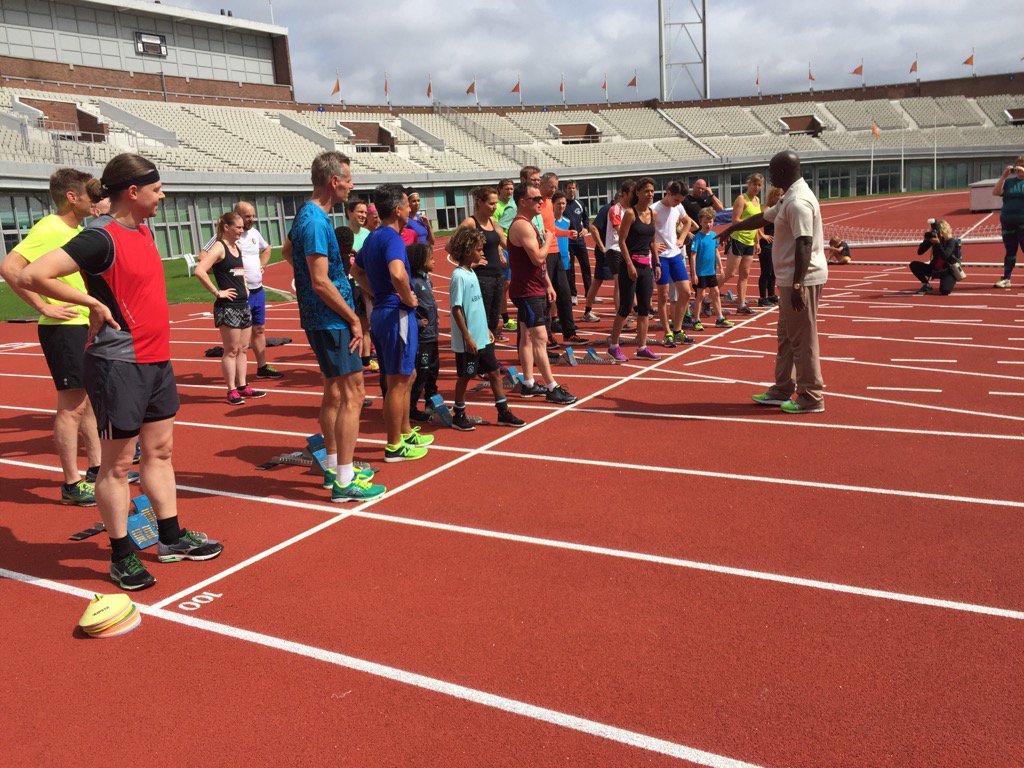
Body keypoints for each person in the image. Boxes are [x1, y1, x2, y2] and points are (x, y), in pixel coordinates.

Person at [18, 153, 223, 590]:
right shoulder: (100, 237)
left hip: (156, 359)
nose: (163, 196)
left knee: (160, 451)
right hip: (119, 364)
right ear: (133, 191)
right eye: (157, 189)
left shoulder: (142, 228)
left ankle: (170, 538)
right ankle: (121, 555)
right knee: (115, 466)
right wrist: (90, 302)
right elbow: (34, 273)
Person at [283, 151, 385, 502]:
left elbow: (288, 252)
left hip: (324, 317)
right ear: (334, 181)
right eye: (349, 179)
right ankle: (344, 479)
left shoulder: (308, 215)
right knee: (354, 393)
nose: (352, 186)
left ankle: (332, 467)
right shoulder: (314, 220)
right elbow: (320, 281)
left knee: (335, 392)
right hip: (331, 319)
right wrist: (353, 318)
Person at [0, 168, 103, 505]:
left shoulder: (77, 229)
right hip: (63, 328)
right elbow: (10, 267)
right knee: (71, 407)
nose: (95, 199)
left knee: (88, 402)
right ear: (72, 197)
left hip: (82, 322)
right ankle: (72, 484)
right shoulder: (49, 228)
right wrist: (43, 305)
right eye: (89, 193)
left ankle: (96, 469)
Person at [721, 150, 828, 415]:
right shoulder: (788, 196)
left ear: (783, 171)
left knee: (803, 340)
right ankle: (782, 389)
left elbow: (805, 243)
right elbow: (764, 217)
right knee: (786, 336)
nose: (769, 176)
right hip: (790, 279)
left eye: (772, 170)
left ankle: (811, 396)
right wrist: (733, 228)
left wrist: (798, 285)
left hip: (801, 280)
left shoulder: (798, 202)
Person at [352, 183, 433, 462]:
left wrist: (376, 293)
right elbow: (398, 273)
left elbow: (356, 270)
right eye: (407, 205)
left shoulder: (373, 237)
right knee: (399, 381)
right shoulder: (393, 239)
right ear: (398, 210)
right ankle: (394, 445)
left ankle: (405, 431)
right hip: (396, 314)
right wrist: (409, 298)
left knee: (405, 376)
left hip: (382, 313)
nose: (411, 209)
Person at [447, 226, 526, 431]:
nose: (482, 252)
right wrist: (467, 337)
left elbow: (476, 307)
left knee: (494, 372)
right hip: (469, 341)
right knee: (465, 376)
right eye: (478, 249)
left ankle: (503, 412)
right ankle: (459, 414)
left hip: (482, 336)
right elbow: (456, 309)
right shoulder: (459, 276)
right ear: (467, 251)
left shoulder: (471, 272)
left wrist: (486, 329)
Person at [507, 180, 577, 404]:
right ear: (522, 202)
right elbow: (538, 257)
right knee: (540, 337)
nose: (541, 202)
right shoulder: (522, 226)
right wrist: (548, 240)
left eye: (540, 198)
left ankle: (528, 383)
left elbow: (537, 263)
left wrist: (547, 283)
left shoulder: (529, 223)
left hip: (533, 287)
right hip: (527, 291)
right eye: (536, 199)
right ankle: (552, 387)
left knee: (527, 336)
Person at [202, 201, 281, 380]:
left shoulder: (254, 233)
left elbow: (267, 248)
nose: (251, 219)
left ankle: (262, 367)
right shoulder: (224, 236)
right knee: (236, 343)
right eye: (247, 216)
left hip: (257, 290)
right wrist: (223, 273)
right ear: (237, 216)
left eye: (253, 216)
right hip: (238, 296)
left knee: (259, 329)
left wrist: (262, 265)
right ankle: (236, 381)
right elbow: (203, 257)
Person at [194, 211, 266, 405]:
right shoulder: (219, 247)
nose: (242, 231)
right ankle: (231, 390)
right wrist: (218, 292)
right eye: (238, 227)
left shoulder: (237, 247)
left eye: (242, 227)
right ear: (226, 227)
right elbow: (199, 270)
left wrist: (245, 287)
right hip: (228, 307)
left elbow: (239, 271)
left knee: (243, 349)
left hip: (243, 304)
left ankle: (242, 386)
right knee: (231, 350)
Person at [608, 178, 661, 361]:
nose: (650, 194)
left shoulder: (653, 214)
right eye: (646, 191)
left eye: (652, 191)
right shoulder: (630, 214)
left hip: (646, 266)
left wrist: (657, 263)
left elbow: (653, 242)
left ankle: (642, 347)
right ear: (637, 193)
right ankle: (614, 346)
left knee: (644, 309)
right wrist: (629, 264)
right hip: (629, 266)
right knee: (625, 307)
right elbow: (621, 241)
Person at [652, 180, 696, 346]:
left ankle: (677, 329)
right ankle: (667, 333)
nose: (678, 203)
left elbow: (688, 222)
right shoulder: (655, 209)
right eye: (676, 199)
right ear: (668, 193)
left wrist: (682, 238)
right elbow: (647, 231)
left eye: (680, 200)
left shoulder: (678, 207)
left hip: (675, 254)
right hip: (661, 256)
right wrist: (653, 245)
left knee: (686, 292)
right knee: (663, 296)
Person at [460, 186, 506, 337]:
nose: (495, 207)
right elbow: (451, 246)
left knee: (493, 320)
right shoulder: (471, 222)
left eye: (496, 203)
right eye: (491, 203)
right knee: (482, 319)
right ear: (480, 202)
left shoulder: (492, 221)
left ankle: (489, 349)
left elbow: (503, 241)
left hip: (497, 276)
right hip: (482, 278)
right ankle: (480, 348)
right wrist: (469, 264)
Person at [722, 173, 763, 315]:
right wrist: (750, 223)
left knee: (745, 274)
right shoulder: (741, 199)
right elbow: (735, 220)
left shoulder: (757, 200)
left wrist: (757, 241)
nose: (756, 188)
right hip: (738, 239)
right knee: (730, 273)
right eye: (754, 184)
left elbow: (756, 224)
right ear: (749, 184)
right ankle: (708, 297)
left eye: (759, 185)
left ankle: (741, 304)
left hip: (749, 241)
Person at [407, 242, 440, 423]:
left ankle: (432, 401)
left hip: (432, 335)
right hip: (423, 337)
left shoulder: (426, 280)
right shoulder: (413, 282)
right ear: (420, 261)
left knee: (433, 371)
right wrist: (419, 323)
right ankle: (411, 408)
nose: (434, 261)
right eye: (430, 258)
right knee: (422, 372)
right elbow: (407, 309)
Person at [691, 208, 731, 331]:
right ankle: (696, 320)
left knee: (716, 293)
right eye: (705, 222)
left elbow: (716, 251)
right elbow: (693, 256)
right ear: (700, 222)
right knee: (700, 295)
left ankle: (720, 318)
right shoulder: (697, 237)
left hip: (711, 271)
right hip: (701, 272)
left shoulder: (714, 235)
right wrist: (693, 274)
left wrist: (721, 267)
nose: (708, 224)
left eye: (710, 221)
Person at [993, 156, 1024, 288]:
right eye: (1018, 165)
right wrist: (1003, 177)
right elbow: (996, 192)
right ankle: (1006, 278)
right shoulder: (1009, 182)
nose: (1020, 168)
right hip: (1007, 221)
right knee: (1010, 252)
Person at [910, 220, 962, 296]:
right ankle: (926, 285)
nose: (935, 233)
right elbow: (920, 252)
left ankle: (948, 281)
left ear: (943, 231)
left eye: (937, 231)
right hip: (934, 269)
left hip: (948, 271)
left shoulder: (951, 241)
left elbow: (945, 256)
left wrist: (938, 244)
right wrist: (927, 240)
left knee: (945, 291)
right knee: (914, 265)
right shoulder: (933, 240)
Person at [563, 180, 591, 303]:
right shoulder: (562, 204)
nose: (571, 190)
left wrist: (586, 229)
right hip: (568, 242)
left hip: (580, 241)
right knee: (570, 270)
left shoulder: (580, 203)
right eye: (569, 188)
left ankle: (589, 293)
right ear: (565, 189)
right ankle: (573, 295)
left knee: (586, 267)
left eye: (573, 188)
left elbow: (586, 218)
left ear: (576, 189)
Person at [757, 186, 782, 306]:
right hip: (767, 245)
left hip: (776, 244)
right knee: (766, 272)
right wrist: (763, 235)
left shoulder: (779, 209)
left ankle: (771, 295)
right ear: (773, 196)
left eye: (781, 195)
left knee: (773, 272)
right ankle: (762, 298)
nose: (780, 197)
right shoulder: (768, 209)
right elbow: (756, 224)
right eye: (778, 195)